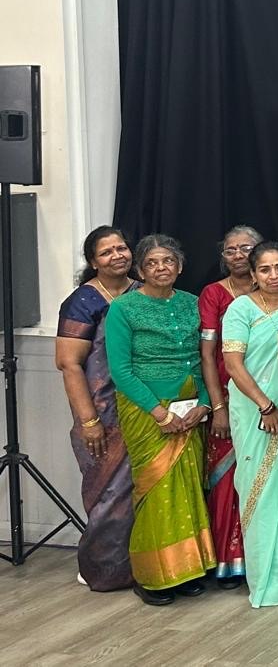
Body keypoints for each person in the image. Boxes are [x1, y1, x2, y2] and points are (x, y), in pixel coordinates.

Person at [106, 234, 216, 605]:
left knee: (188, 489)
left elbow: (202, 358)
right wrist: (159, 412)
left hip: (190, 408)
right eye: (152, 263)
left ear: (179, 266)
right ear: (140, 270)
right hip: (147, 410)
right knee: (156, 491)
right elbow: (121, 371)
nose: (161, 268)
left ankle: (185, 569)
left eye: (167, 261)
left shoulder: (191, 302)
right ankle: (152, 576)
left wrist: (205, 404)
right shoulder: (123, 309)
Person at [220, 242, 278, 608]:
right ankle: (272, 584)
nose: (274, 275)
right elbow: (233, 365)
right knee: (262, 492)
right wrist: (266, 406)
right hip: (256, 413)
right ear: (254, 274)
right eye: (265, 269)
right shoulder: (240, 309)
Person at [53, 226, 137, 592]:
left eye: (121, 248)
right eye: (106, 252)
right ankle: (102, 571)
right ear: (93, 261)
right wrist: (89, 421)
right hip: (102, 415)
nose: (117, 255)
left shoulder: (142, 292)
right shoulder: (83, 301)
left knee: (140, 493)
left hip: (144, 410)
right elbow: (68, 364)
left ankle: (145, 568)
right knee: (109, 496)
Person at [198, 224, 261, 587]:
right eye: (231, 250)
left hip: (271, 399)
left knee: (267, 475)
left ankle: (266, 554)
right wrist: (218, 407)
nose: (238, 255)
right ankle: (229, 560)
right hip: (228, 397)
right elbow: (208, 355)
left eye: (246, 248)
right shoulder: (213, 294)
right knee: (226, 480)